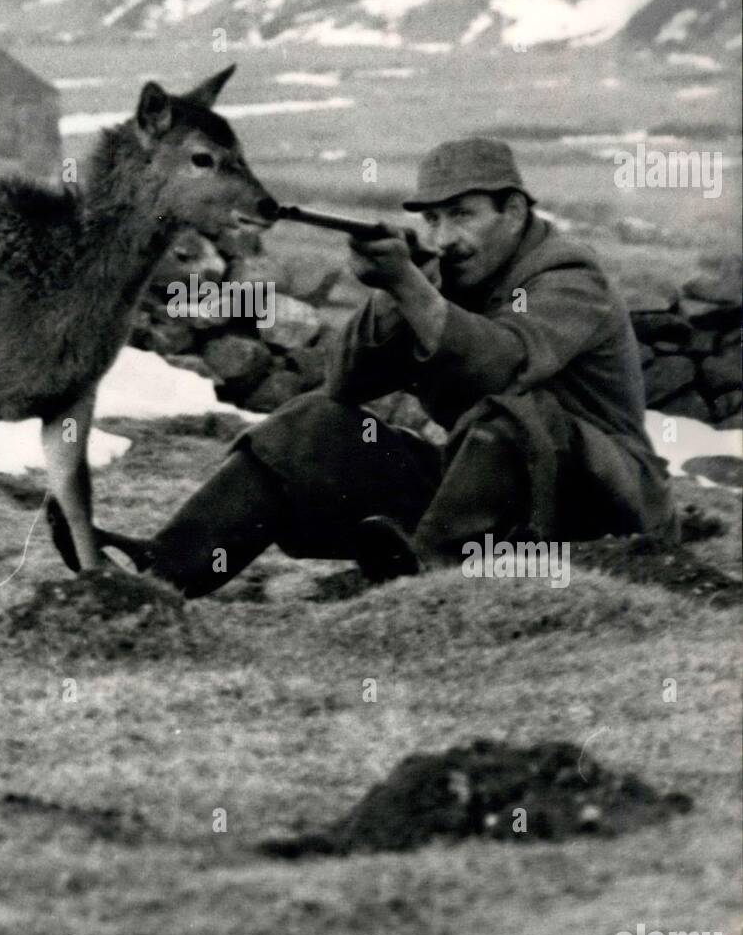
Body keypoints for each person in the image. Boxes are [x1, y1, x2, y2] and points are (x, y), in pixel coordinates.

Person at [92, 137, 679, 597]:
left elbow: (503, 369)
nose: (445, 238)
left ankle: (427, 573)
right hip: (486, 499)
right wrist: (396, 289)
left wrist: (410, 283)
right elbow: (347, 384)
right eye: (433, 220)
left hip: (605, 503)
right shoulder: (451, 273)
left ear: (515, 210)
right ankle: (162, 571)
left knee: (512, 414)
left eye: (463, 215)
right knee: (308, 423)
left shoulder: (567, 275)